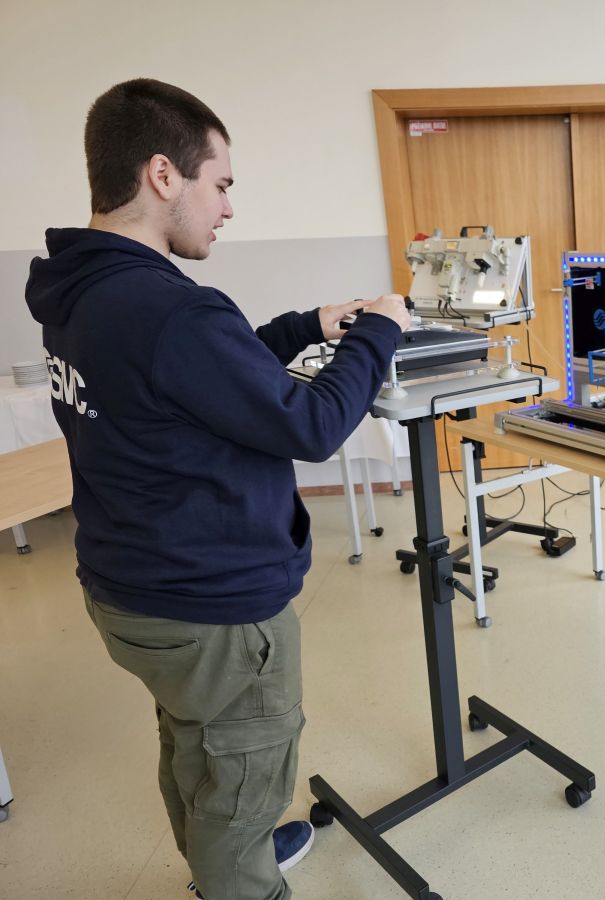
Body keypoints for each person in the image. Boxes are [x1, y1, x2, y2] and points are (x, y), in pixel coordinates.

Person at [25, 78, 410, 899]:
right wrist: (379, 331)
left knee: (195, 744)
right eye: (222, 184)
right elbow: (310, 425)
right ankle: (238, 876)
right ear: (164, 174)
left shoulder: (79, 290)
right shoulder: (170, 309)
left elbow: (196, 377)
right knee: (241, 780)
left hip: (130, 587)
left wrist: (307, 326)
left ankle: (221, 864)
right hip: (210, 607)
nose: (228, 208)